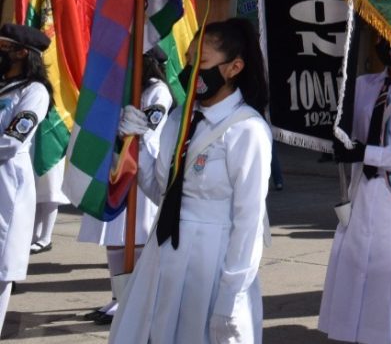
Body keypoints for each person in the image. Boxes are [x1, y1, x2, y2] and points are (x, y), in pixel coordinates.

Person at [110, 18, 273, 344]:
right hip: (162, 256)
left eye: (202, 60)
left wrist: (232, 297)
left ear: (234, 67)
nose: (190, 68)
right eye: (187, 59)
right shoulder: (178, 118)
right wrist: (134, 143)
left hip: (210, 263)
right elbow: (162, 191)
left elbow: (249, 222)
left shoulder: (247, 129)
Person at [318, 34, 391, 343]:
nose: (390, 44)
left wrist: (367, 153)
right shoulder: (363, 85)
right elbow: (348, 133)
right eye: (383, 36)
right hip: (363, 194)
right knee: (358, 273)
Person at [78, 47, 175, 325]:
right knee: (115, 237)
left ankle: (131, 300)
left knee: (136, 236)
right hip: (116, 166)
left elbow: (149, 130)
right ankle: (118, 296)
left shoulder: (157, 92)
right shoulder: (123, 90)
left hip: (139, 168)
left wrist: (124, 128)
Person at [0, 24, 53, 333]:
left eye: (3, 46)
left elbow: (12, 141)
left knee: (1, 267)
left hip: (8, 190)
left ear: (22, 53)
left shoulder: (33, 92)